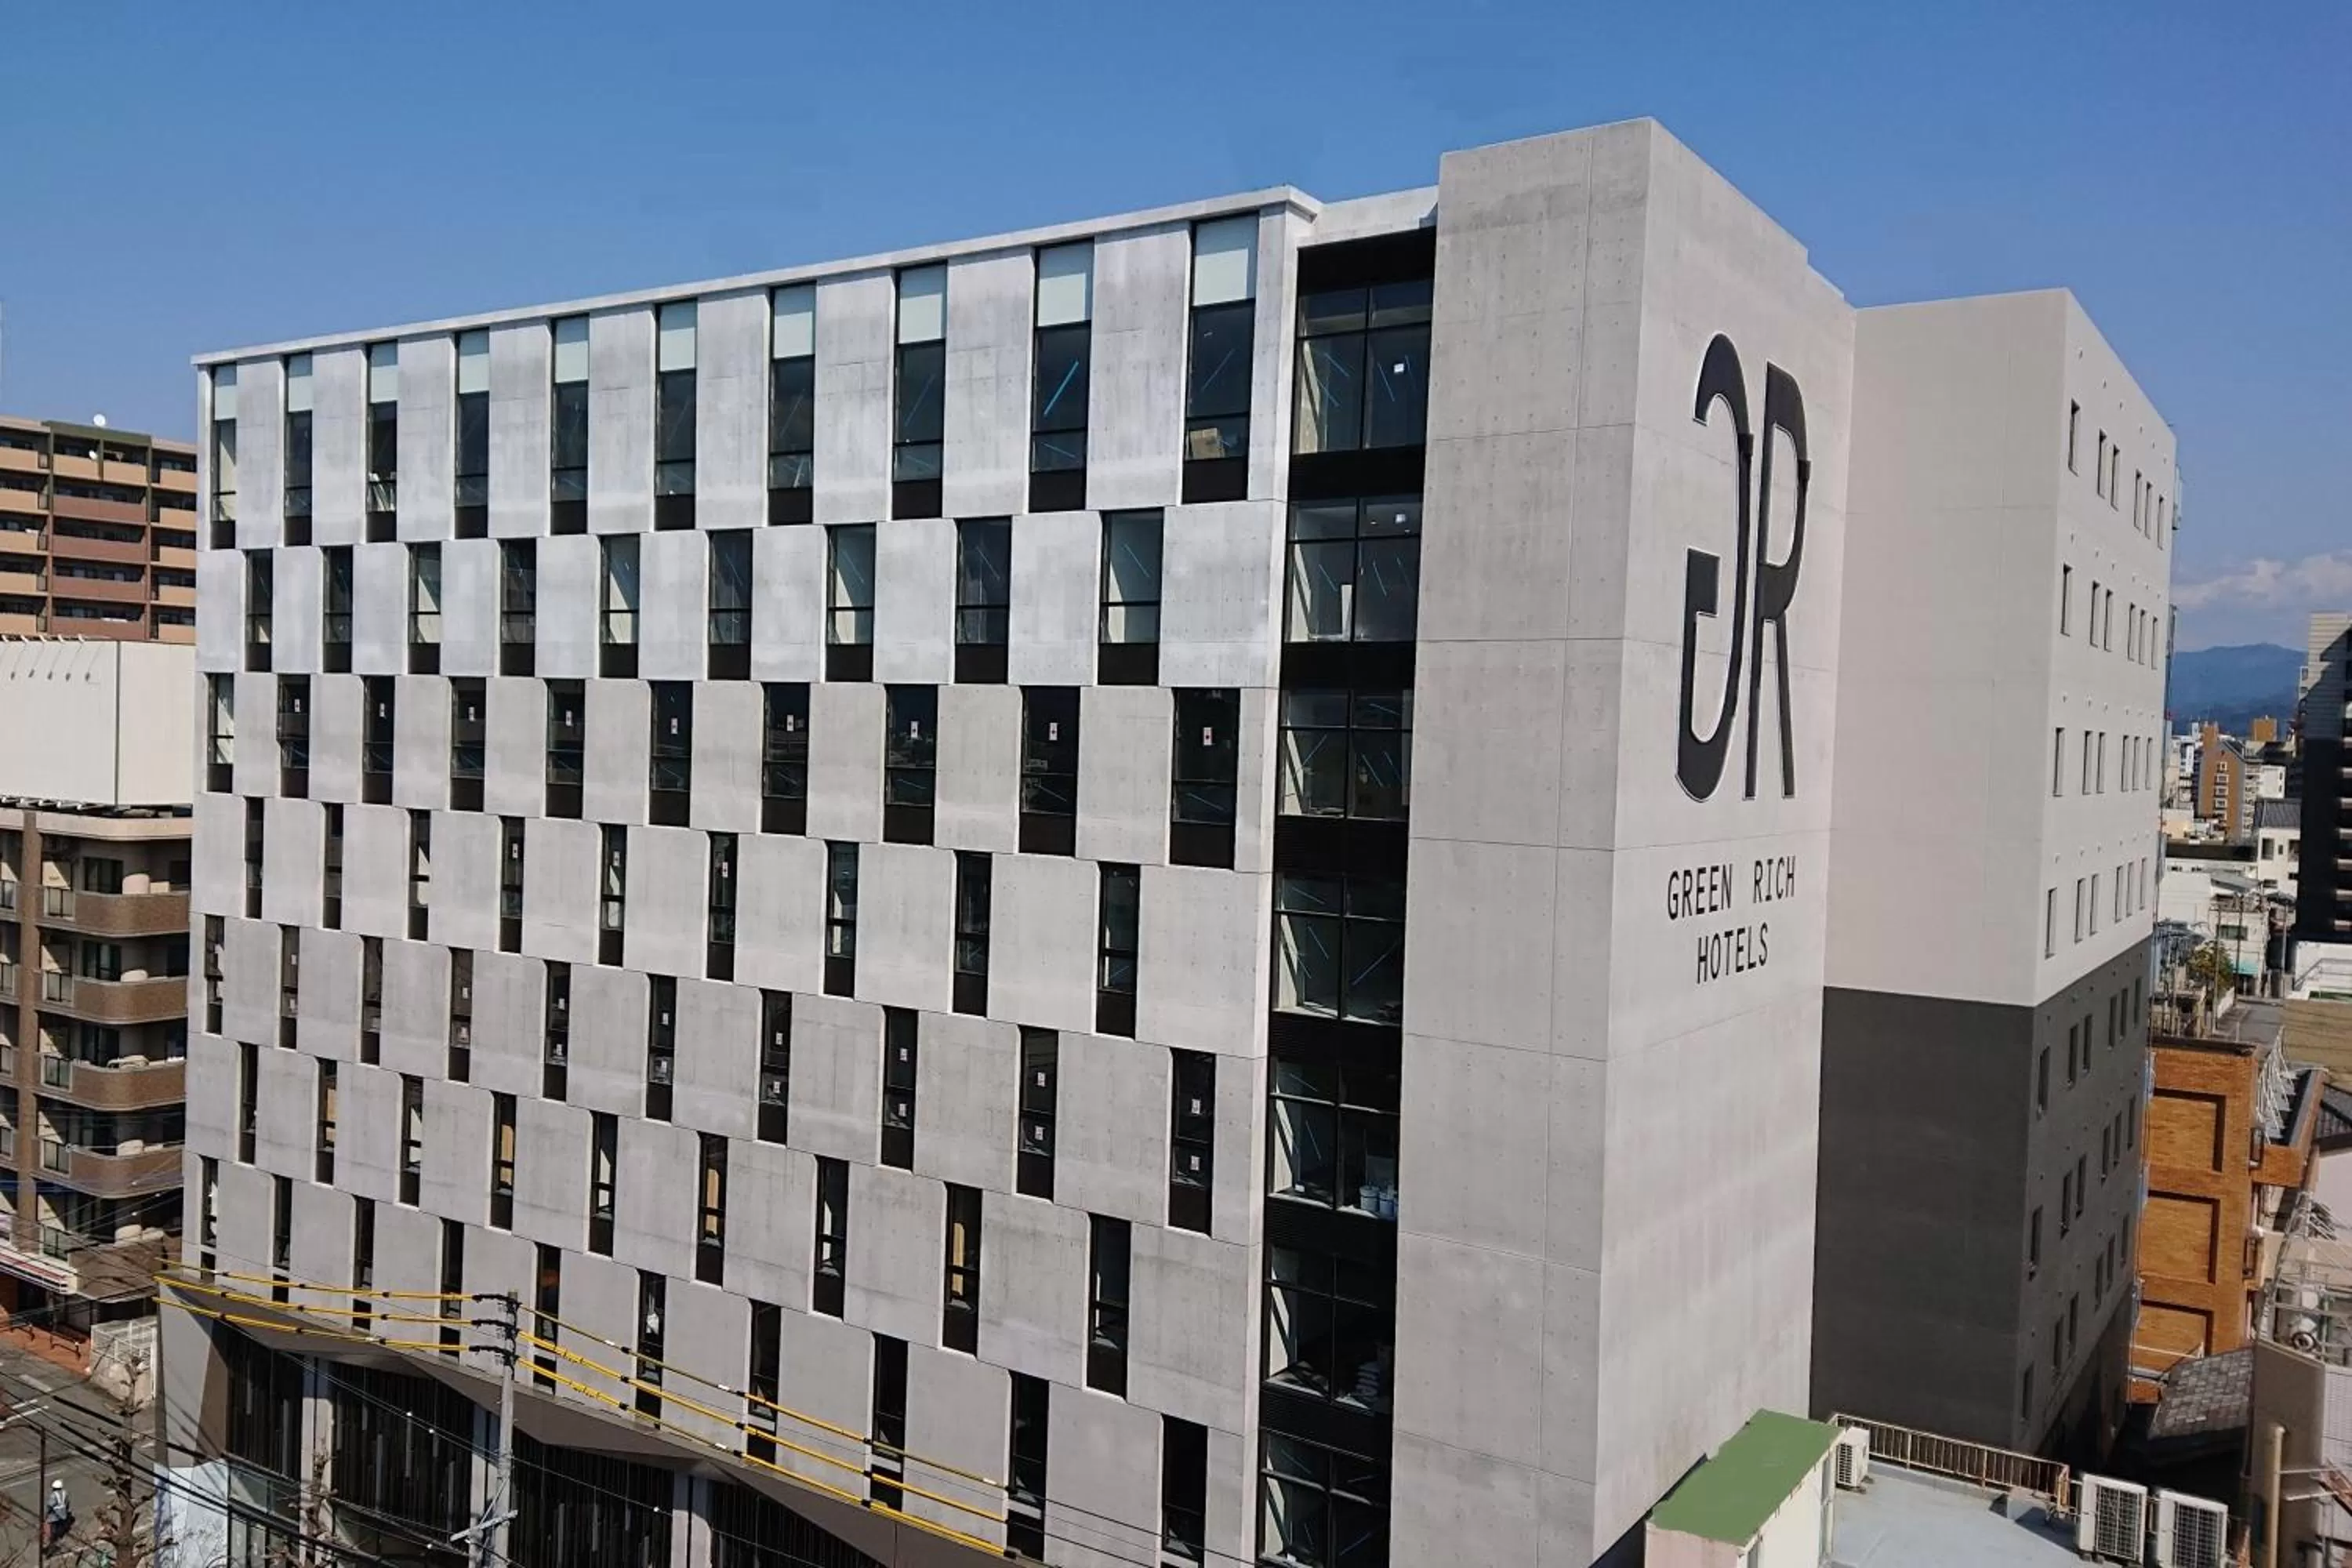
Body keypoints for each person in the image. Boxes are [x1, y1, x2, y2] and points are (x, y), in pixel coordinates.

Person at [42, 1477, 71, 1550]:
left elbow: (50, 1505)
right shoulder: (65, 1493)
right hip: (63, 1514)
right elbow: (67, 1503)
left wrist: (47, 1514)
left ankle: (52, 1542)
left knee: (53, 1530)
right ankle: (57, 1538)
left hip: (54, 1516)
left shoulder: (53, 1495)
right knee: (60, 1528)